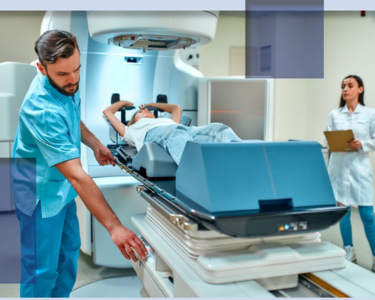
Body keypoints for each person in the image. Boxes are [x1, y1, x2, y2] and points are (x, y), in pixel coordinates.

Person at [12, 30, 148, 297]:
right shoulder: (41, 110)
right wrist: (115, 227)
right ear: (42, 68)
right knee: (40, 269)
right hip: (38, 195)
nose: (72, 79)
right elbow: (77, 175)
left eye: (76, 69)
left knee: (68, 256)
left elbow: (71, 118)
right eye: (63, 74)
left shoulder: (65, 82)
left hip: (60, 189)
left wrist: (96, 144)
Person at [326, 75, 375, 272]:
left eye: (350, 85)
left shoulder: (370, 114)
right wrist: (338, 143)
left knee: (367, 215)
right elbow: (330, 140)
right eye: (343, 86)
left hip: (359, 169)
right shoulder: (335, 115)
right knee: (343, 212)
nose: (345, 89)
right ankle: (349, 250)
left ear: (360, 89)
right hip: (339, 168)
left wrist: (362, 144)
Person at [103, 100, 241, 165]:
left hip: (186, 131)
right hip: (159, 134)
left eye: (147, 110)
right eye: (140, 112)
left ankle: (243, 160)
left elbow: (176, 108)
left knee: (217, 128)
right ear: (132, 121)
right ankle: (198, 175)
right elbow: (107, 112)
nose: (144, 111)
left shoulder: (167, 120)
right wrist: (123, 103)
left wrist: (151, 104)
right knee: (177, 133)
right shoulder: (131, 130)